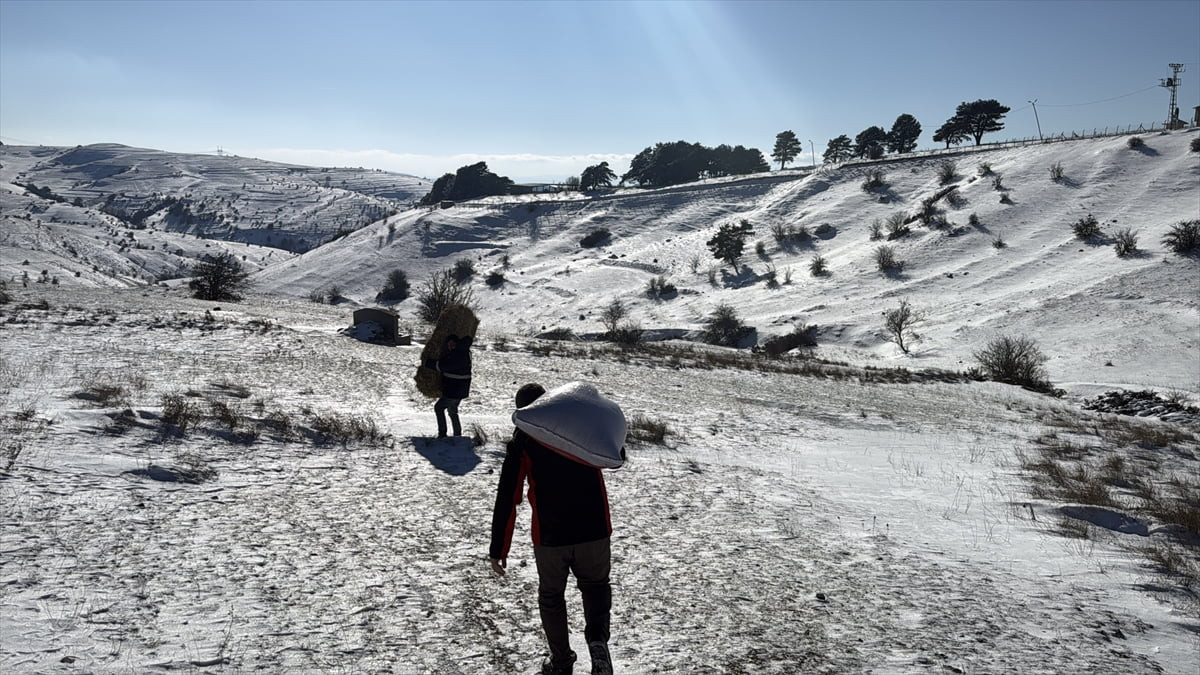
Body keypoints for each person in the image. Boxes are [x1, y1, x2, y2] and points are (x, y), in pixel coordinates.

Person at [489, 383, 614, 675]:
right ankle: (597, 642)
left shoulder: (523, 441)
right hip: (594, 528)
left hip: (550, 536)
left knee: (551, 597)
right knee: (595, 588)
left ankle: (561, 662)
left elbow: (508, 495)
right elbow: (615, 450)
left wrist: (499, 548)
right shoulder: (579, 425)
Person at [426, 333, 472, 438]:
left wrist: (428, 363)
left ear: (457, 344)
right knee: (452, 411)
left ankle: (442, 434)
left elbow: (444, 366)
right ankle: (457, 435)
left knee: (438, 408)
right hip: (460, 389)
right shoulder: (463, 352)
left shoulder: (458, 354)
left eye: (452, 344)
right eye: (449, 344)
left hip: (455, 390)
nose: (450, 346)